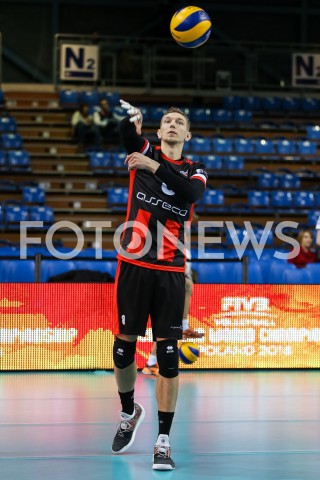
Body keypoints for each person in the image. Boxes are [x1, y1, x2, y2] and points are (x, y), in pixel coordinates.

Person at [111, 99, 208, 470]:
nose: (171, 125)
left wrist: (153, 166)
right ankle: (127, 412)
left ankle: (163, 442)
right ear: (157, 131)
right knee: (123, 350)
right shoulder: (144, 148)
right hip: (134, 263)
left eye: (178, 122)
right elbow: (124, 136)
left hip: (170, 268)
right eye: (166, 120)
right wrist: (130, 122)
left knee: (167, 357)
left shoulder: (195, 169)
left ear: (186, 134)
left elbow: (191, 194)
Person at [142, 247, 204, 377]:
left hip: (171, 284)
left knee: (166, 328)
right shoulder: (169, 246)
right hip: (163, 282)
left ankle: (151, 364)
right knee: (187, 285)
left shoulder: (183, 247)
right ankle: (184, 326)